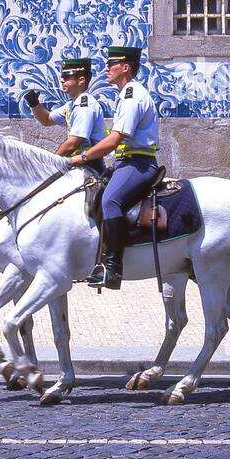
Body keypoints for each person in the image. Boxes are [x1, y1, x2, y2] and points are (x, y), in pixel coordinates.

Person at [69, 44, 159, 290]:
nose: (106, 68)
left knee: (111, 201)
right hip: (125, 163)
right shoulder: (125, 94)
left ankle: (112, 269)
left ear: (126, 67)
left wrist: (82, 157)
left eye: (112, 64)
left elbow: (115, 139)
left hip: (138, 163)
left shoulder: (133, 95)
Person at [24, 56, 109, 171]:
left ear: (81, 80)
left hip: (90, 165)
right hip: (78, 163)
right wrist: (34, 104)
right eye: (62, 77)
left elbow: (72, 144)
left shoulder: (85, 105)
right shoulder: (71, 105)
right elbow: (47, 119)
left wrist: (51, 163)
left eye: (67, 77)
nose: (62, 80)